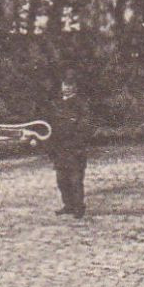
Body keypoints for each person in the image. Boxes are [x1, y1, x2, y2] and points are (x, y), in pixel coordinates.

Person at [42, 64, 96, 217]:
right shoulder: (56, 105)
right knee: (61, 181)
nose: (67, 88)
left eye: (70, 85)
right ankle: (68, 205)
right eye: (65, 85)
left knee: (75, 180)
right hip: (60, 149)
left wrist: (78, 143)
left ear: (76, 87)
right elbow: (50, 126)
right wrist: (50, 146)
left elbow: (86, 126)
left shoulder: (81, 105)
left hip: (75, 149)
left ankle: (79, 207)